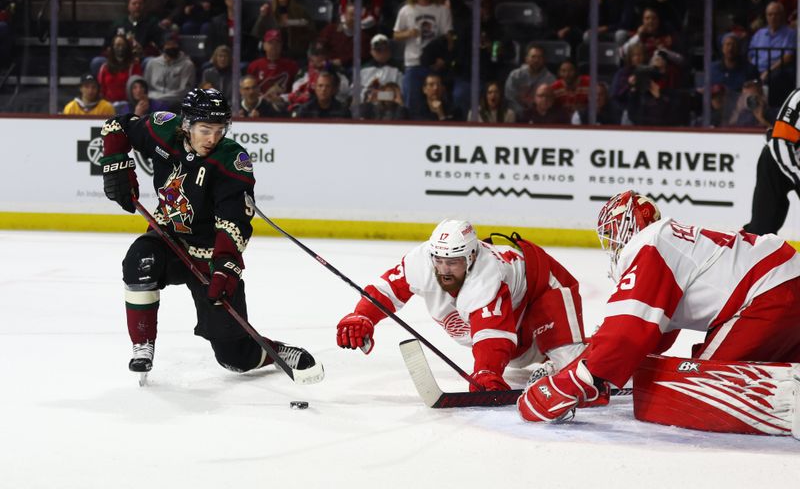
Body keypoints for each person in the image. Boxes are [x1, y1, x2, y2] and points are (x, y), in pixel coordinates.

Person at [519, 190, 800, 423]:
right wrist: (579, 369)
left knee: (697, 390)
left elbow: (625, 335)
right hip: (783, 283)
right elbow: (650, 340)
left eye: (611, 232)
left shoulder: (649, 245)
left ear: (626, 226)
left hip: (770, 294)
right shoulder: (670, 241)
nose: (611, 244)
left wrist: (568, 384)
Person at [98, 87, 319, 378]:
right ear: (187, 124)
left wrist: (226, 266)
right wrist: (115, 165)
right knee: (140, 260)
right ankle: (143, 345)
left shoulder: (232, 159)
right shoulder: (164, 129)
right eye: (205, 129)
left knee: (235, 359)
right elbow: (117, 126)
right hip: (170, 238)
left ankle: (272, 350)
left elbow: (234, 220)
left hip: (210, 256)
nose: (212, 138)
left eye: (219, 130)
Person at [336, 219, 589, 392]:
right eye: (439, 261)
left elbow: (492, 335)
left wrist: (486, 372)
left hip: (545, 285)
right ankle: (585, 348)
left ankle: (604, 351)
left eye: (453, 262)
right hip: (516, 304)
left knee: (572, 369)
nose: (444, 270)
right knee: (520, 359)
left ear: (471, 257)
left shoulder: (487, 275)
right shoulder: (421, 261)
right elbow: (386, 290)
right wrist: (362, 316)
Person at [393, 0, 453, 116]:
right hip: (413, 63)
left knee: (437, 104)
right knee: (412, 104)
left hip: (433, 64)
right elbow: (395, 35)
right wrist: (408, 33)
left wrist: (444, 59)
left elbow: (449, 38)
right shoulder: (406, 10)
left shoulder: (442, 10)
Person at [743, 88, 800, 235]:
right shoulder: (798, 99)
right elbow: (780, 142)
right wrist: (796, 176)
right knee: (761, 230)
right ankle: (748, 255)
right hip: (776, 163)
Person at [249, 0, 316, 63]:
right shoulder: (268, 10)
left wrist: (293, 23)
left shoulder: (300, 11)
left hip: (295, 54)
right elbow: (257, 33)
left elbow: (311, 30)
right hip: (272, 54)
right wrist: (262, 16)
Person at [144, 32, 196, 110]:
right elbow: (146, 86)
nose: (171, 47)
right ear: (163, 46)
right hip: (153, 100)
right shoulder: (152, 63)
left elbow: (184, 91)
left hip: (175, 102)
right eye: (168, 44)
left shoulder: (187, 65)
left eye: (174, 44)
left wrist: (160, 98)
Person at [504, 44, 556, 119]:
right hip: (518, 115)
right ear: (526, 59)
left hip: (541, 116)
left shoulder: (551, 79)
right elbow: (510, 98)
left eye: (539, 57)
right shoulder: (515, 75)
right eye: (533, 57)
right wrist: (523, 113)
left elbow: (551, 101)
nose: (536, 60)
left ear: (544, 60)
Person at [97, 34, 144, 112]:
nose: (120, 48)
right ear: (112, 47)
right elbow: (101, 88)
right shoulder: (104, 67)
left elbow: (137, 87)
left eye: (123, 45)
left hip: (128, 105)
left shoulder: (134, 66)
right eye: (117, 45)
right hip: (108, 105)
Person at [359, 33, 403, 102]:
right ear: (371, 52)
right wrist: (368, 95)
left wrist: (379, 96)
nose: (382, 53)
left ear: (389, 50)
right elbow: (353, 93)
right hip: (366, 106)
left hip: (389, 106)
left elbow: (400, 94)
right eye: (378, 50)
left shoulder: (398, 69)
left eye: (385, 49)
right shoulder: (363, 70)